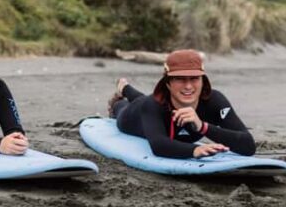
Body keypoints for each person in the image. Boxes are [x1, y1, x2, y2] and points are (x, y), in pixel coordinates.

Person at [108, 49, 256, 159]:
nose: (188, 86)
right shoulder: (153, 104)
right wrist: (194, 150)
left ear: (203, 80)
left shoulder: (214, 101)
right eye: (180, 79)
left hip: (153, 103)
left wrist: (202, 126)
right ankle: (123, 92)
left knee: (144, 98)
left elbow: (248, 145)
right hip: (135, 115)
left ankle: (125, 87)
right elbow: (158, 145)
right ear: (167, 83)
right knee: (126, 106)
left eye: (194, 78)